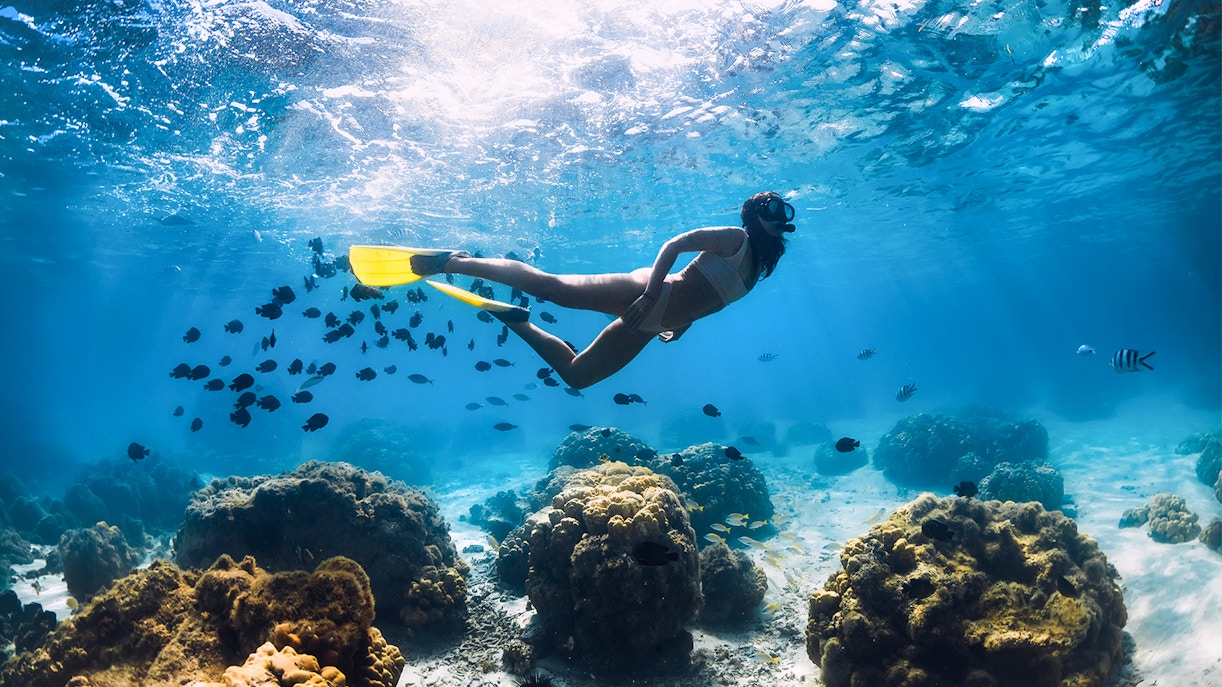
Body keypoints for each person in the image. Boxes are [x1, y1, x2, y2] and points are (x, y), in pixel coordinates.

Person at [410, 191, 795, 389]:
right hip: (648, 293)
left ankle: (515, 320)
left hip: (653, 322)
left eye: (784, 213)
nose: (782, 218)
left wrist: (685, 324)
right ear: (756, 217)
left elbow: (708, 298)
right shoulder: (734, 238)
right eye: (775, 209)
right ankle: (451, 261)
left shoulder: (760, 267)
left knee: (578, 377)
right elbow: (675, 245)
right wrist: (649, 293)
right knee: (553, 288)